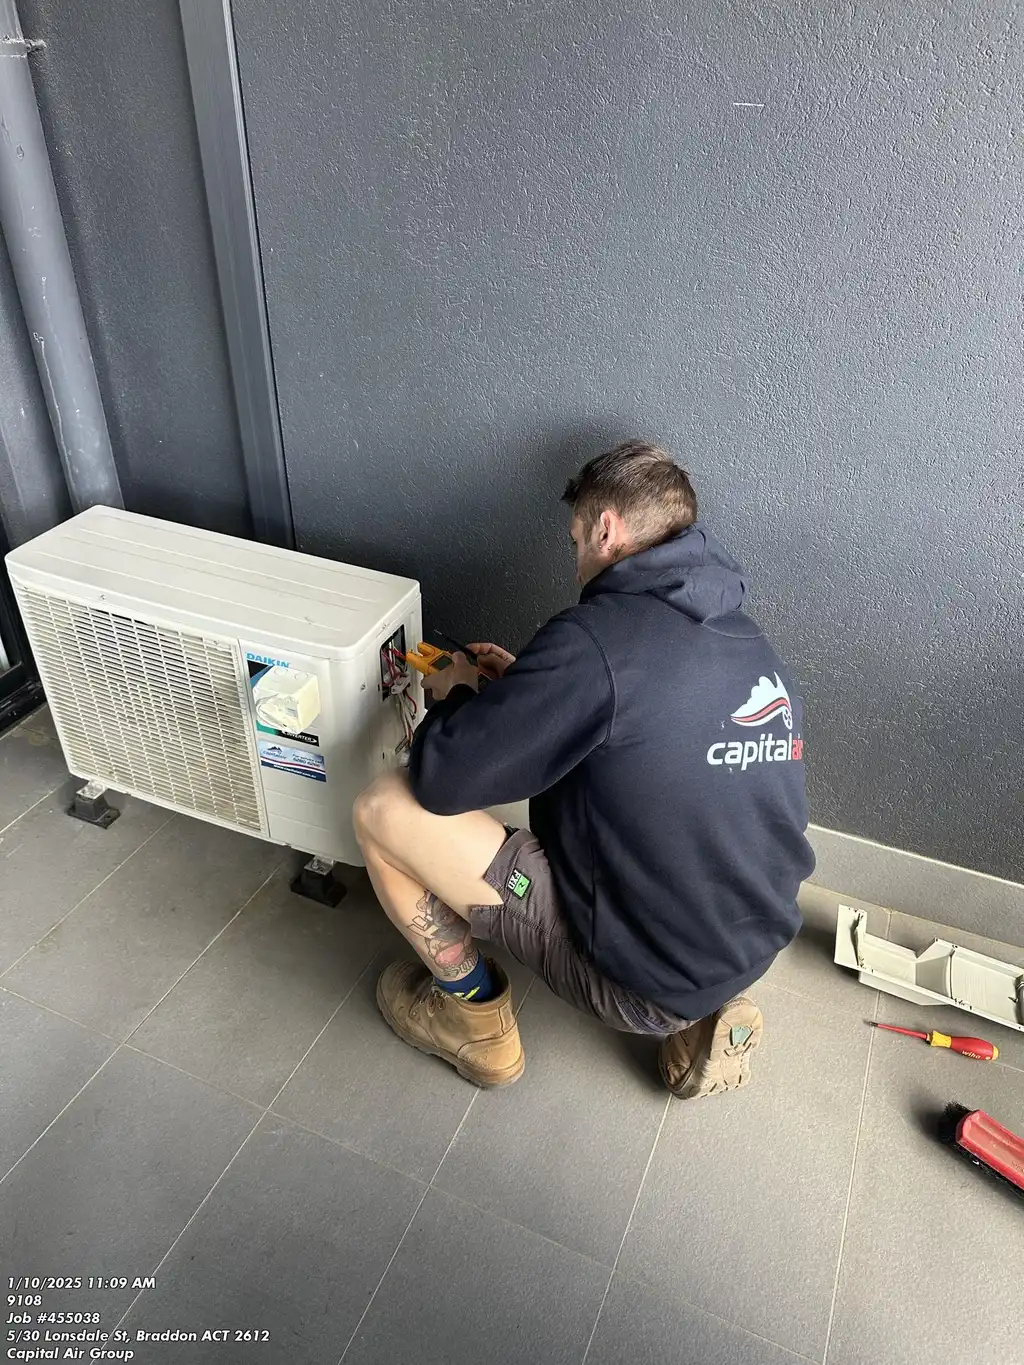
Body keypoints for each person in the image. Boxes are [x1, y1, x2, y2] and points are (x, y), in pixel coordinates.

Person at [353, 440, 815, 1097]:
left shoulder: (596, 638)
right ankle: (703, 1011)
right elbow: (640, 731)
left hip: (641, 977)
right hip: (747, 943)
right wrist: (528, 693)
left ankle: (473, 1022)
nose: (576, 565)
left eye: (576, 540)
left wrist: (456, 688)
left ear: (607, 528)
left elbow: (442, 777)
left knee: (383, 808)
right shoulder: (747, 642)